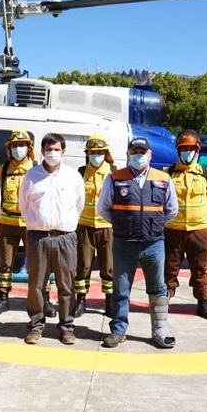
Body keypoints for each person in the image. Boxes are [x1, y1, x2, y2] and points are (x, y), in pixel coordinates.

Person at [97, 137, 179, 348]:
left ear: (150, 155)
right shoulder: (115, 178)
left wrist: (155, 224)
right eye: (135, 151)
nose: (139, 155)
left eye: (143, 152)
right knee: (121, 289)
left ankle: (160, 331)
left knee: (158, 288)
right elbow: (104, 209)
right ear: (127, 155)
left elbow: (172, 210)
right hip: (124, 243)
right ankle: (118, 330)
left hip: (154, 243)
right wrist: (123, 224)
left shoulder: (163, 179)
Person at [19, 132, 85, 346]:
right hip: (38, 237)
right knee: (36, 285)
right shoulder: (31, 176)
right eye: (48, 149)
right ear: (42, 151)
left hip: (65, 237)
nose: (52, 153)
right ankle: (36, 326)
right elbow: (24, 206)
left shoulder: (73, 176)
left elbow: (79, 205)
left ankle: (67, 327)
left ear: (63, 152)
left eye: (56, 149)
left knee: (66, 285)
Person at [163, 129, 207, 320]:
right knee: (169, 268)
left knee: (200, 269)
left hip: (199, 231)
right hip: (173, 231)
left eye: (190, 149)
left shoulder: (206, 174)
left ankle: (203, 303)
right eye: (183, 149)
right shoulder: (167, 173)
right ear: (178, 150)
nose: (187, 152)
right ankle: (163, 302)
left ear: (198, 150)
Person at [0, 128, 40, 314]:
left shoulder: (37, 168)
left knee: (38, 263)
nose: (18, 149)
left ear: (29, 148)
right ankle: (3, 298)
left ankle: (41, 299)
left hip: (31, 224)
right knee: (5, 263)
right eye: (14, 146)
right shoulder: (3, 170)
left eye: (21, 145)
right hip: (8, 223)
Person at [74, 133, 116, 318]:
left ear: (105, 153)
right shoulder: (81, 172)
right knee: (83, 265)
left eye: (99, 152)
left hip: (107, 227)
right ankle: (81, 301)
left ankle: (109, 302)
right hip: (84, 226)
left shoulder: (113, 172)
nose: (95, 155)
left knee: (109, 267)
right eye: (92, 152)